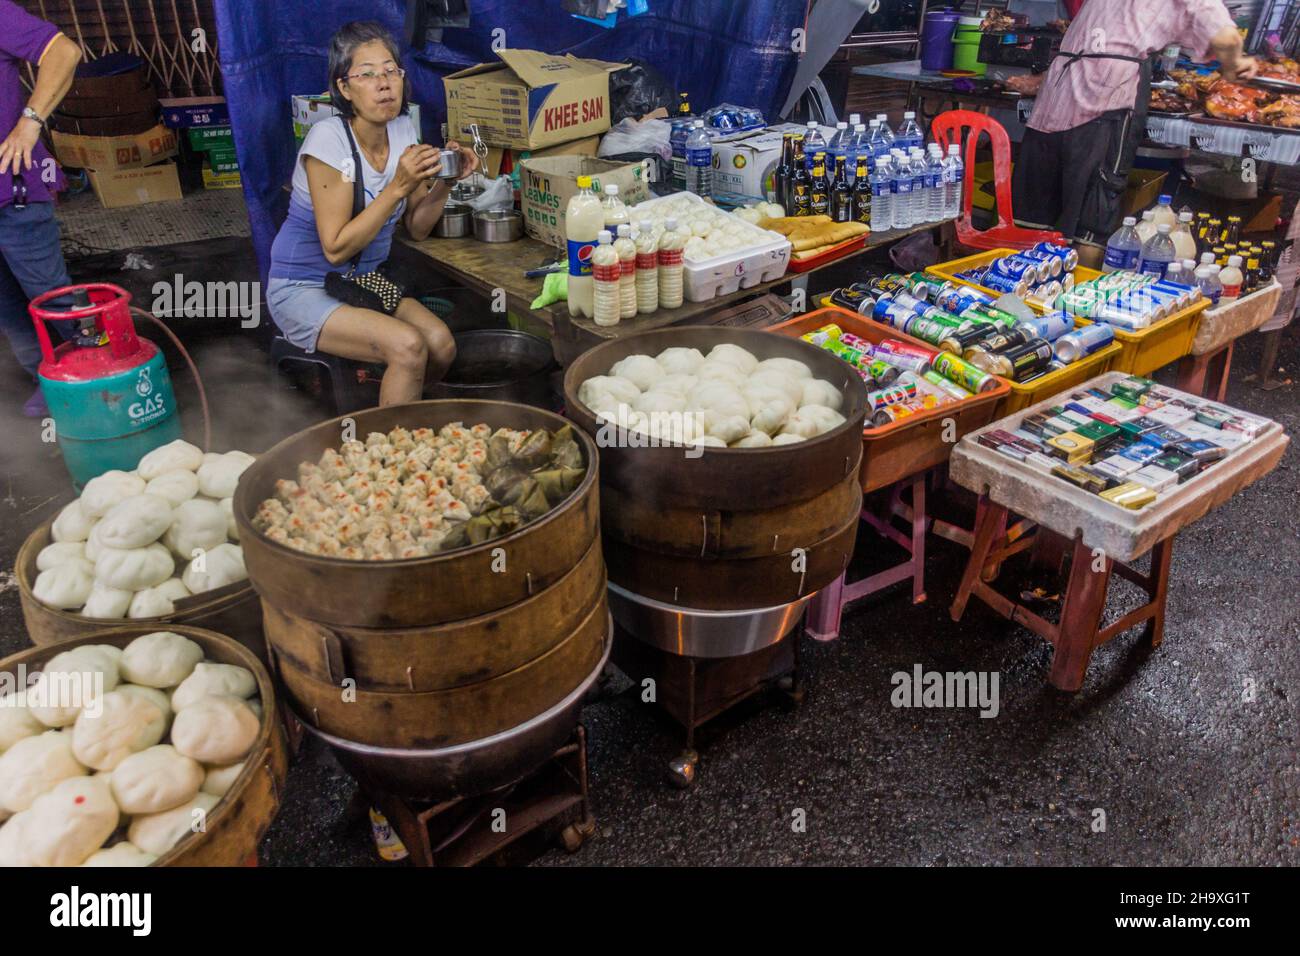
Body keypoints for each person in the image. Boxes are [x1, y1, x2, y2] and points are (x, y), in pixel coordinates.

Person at [268, 21, 478, 406]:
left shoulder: (402, 133)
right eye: (367, 75)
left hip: (363, 281)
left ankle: (399, 415)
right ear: (344, 88)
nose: (384, 84)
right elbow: (335, 249)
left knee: (441, 344)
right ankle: (387, 452)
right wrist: (397, 185)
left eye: (390, 72)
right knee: (409, 346)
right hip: (305, 285)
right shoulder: (328, 142)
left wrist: (447, 183)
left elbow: (416, 227)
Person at [1009, 0, 1255, 252]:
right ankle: (1078, 287)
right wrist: (1238, 63)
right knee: (1092, 220)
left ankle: (1015, 278)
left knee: (1033, 217)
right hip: (1104, 98)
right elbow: (1226, 39)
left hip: (1055, 95)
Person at [0, 1, 81, 417]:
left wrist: (30, 123)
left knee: (49, 296)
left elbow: (64, 52)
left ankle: (86, 378)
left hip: (11, 192)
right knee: (7, 306)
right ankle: (47, 380)